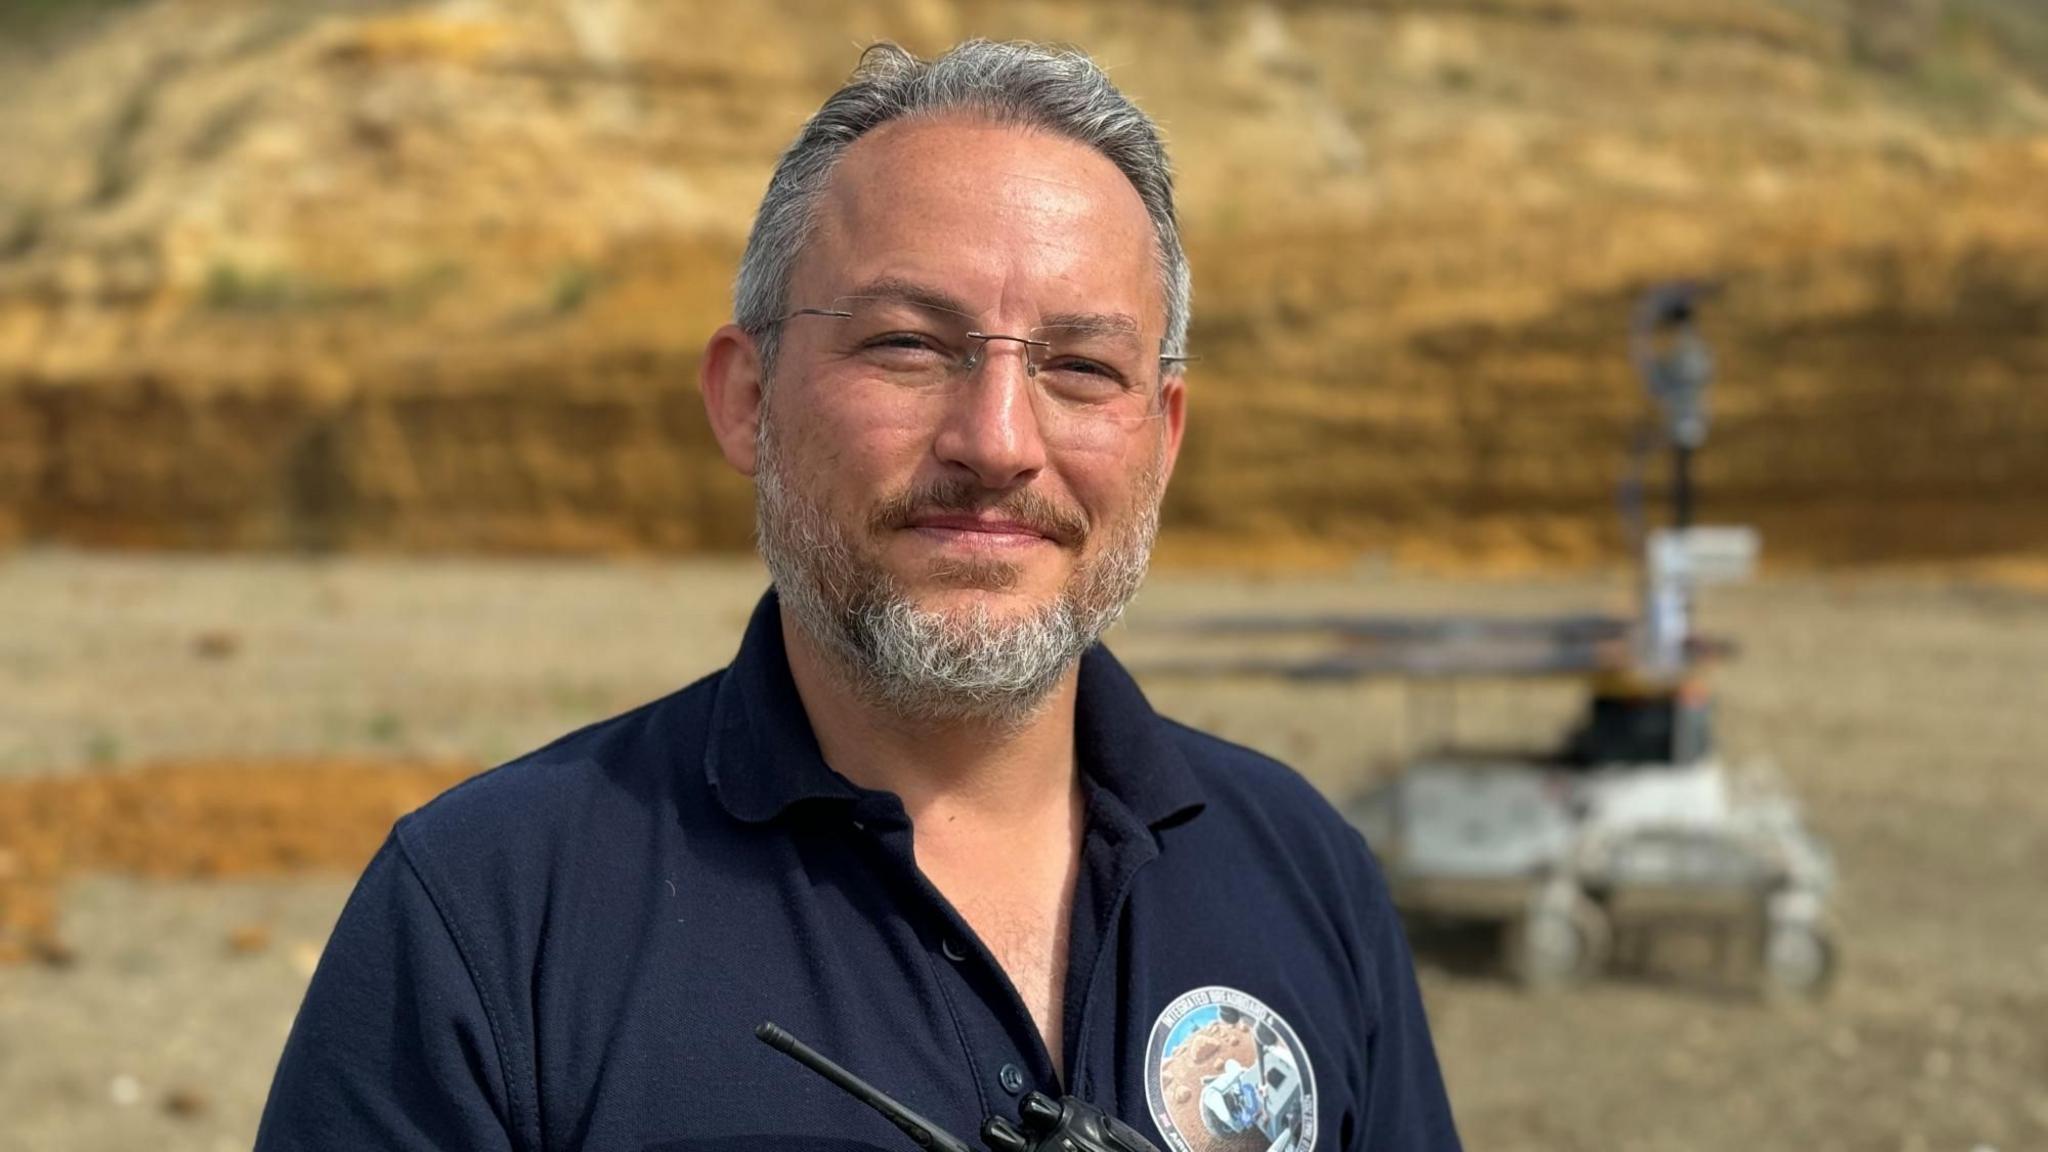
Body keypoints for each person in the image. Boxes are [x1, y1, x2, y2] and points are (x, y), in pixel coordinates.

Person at [256, 40, 1461, 1152]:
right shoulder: (487, 920)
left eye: (1081, 369)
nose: (996, 443)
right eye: (906, 346)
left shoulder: (1303, 872)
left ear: (1163, 435)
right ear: (746, 399)